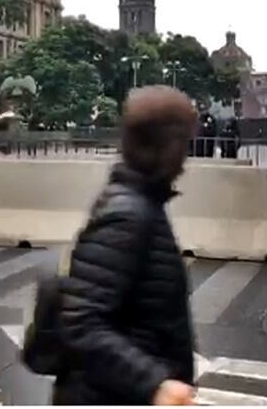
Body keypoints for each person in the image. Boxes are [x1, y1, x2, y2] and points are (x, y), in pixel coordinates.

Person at [55, 86, 196, 406]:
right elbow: (82, 322)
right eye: (185, 142)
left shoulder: (142, 205)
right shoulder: (128, 216)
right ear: (169, 145)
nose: (186, 159)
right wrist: (155, 385)